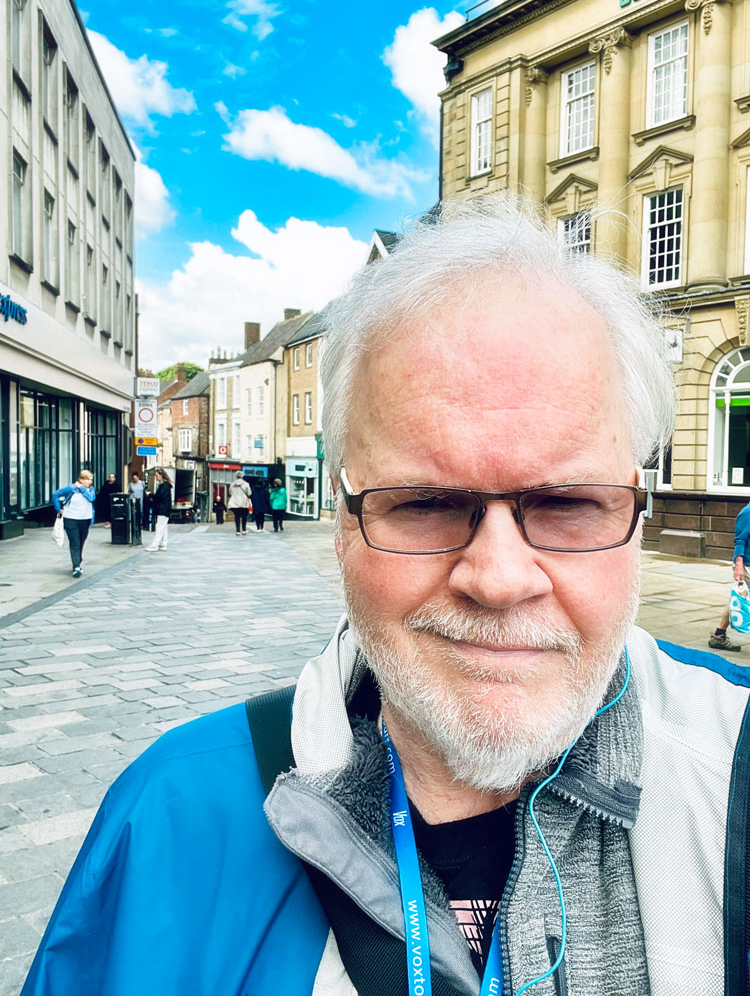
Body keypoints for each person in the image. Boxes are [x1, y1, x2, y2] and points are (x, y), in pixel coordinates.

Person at [22, 198, 750, 996]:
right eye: (427, 504)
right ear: (343, 522)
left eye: (568, 503)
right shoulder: (171, 820)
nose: (500, 579)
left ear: (637, 510)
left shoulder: (735, 765)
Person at [708, 501, 750, 650]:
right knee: (740, 599)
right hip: (746, 564)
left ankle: (719, 635)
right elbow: (740, 540)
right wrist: (739, 565)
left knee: (738, 600)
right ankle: (718, 636)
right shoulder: (747, 512)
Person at [52, 471, 96, 578]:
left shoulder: (90, 489)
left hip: (85, 519)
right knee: (75, 542)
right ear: (81, 479)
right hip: (71, 519)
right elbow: (55, 494)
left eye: (91, 480)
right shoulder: (71, 488)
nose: (90, 482)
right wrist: (59, 509)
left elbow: (91, 498)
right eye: (88, 479)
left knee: (81, 541)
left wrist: (82, 489)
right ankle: (76, 566)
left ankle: (78, 560)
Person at [144, 468, 172, 552]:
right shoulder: (166, 485)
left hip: (162, 510)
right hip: (165, 509)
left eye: (157, 476)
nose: (156, 477)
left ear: (161, 475)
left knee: (159, 527)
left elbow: (159, 497)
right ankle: (163, 544)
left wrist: (150, 495)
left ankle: (155, 545)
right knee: (163, 527)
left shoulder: (164, 486)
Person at [227, 471, 252, 536]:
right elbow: (249, 493)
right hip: (244, 502)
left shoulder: (232, 484)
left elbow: (230, 492)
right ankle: (244, 530)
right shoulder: (246, 484)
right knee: (244, 517)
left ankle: (237, 530)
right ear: (242, 476)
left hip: (235, 502)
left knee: (237, 516)